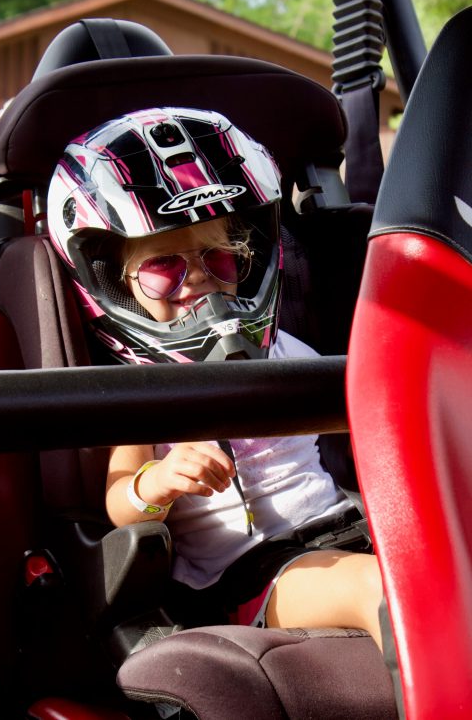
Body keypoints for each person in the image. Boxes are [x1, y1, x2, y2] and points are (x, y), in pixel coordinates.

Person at [47, 106, 383, 650]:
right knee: (382, 590)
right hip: (252, 574)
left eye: (220, 259)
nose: (197, 281)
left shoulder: (286, 352)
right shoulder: (144, 390)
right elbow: (119, 503)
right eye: (163, 270)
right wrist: (159, 482)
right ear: (116, 284)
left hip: (349, 527)